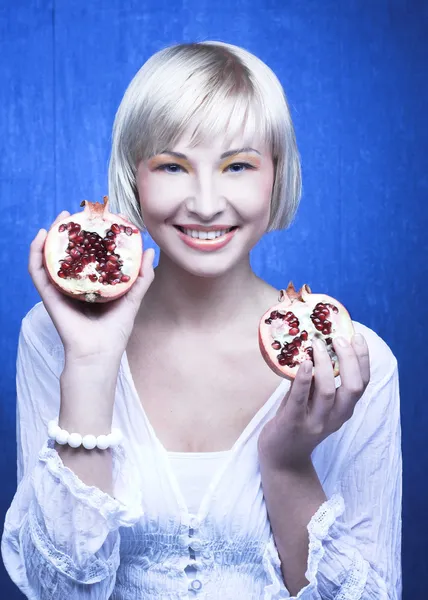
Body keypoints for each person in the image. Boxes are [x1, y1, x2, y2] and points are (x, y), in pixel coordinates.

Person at [1, 40, 401, 599]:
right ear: (133, 176)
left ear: (276, 177)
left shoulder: (353, 361)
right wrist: (90, 366)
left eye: (237, 165)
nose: (207, 202)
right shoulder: (52, 335)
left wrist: (286, 463)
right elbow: (60, 591)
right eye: (172, 166)